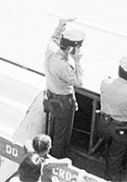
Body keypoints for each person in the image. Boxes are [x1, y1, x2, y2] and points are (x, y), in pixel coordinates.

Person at [42, 18, 84, 158]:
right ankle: (57, 159)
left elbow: (54, 37)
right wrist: (77, 61)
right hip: (64, 101)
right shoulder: (64, 66)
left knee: (54, 129)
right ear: (71, 48)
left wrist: (61, 24)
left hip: (52, 96)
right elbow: (79, 82)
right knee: (62, 135)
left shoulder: (51, 50)